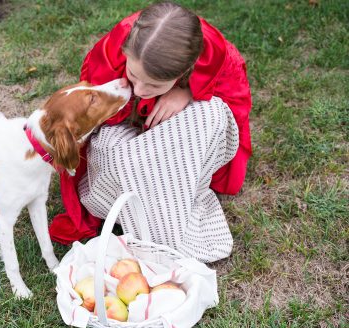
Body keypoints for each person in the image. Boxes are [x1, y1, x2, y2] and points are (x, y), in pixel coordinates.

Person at [49, 2, 252, 262]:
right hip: (125, 126)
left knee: (210, 114)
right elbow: (92, 112)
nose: (141, 90)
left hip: (177, 123)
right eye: (133, 74)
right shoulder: (113, 53)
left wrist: (188, 92)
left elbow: (231, 105)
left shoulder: (211, 53)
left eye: (154, 84)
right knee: (114, 154)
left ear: (185, 71)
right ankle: (140, 204)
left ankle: (170, 200)